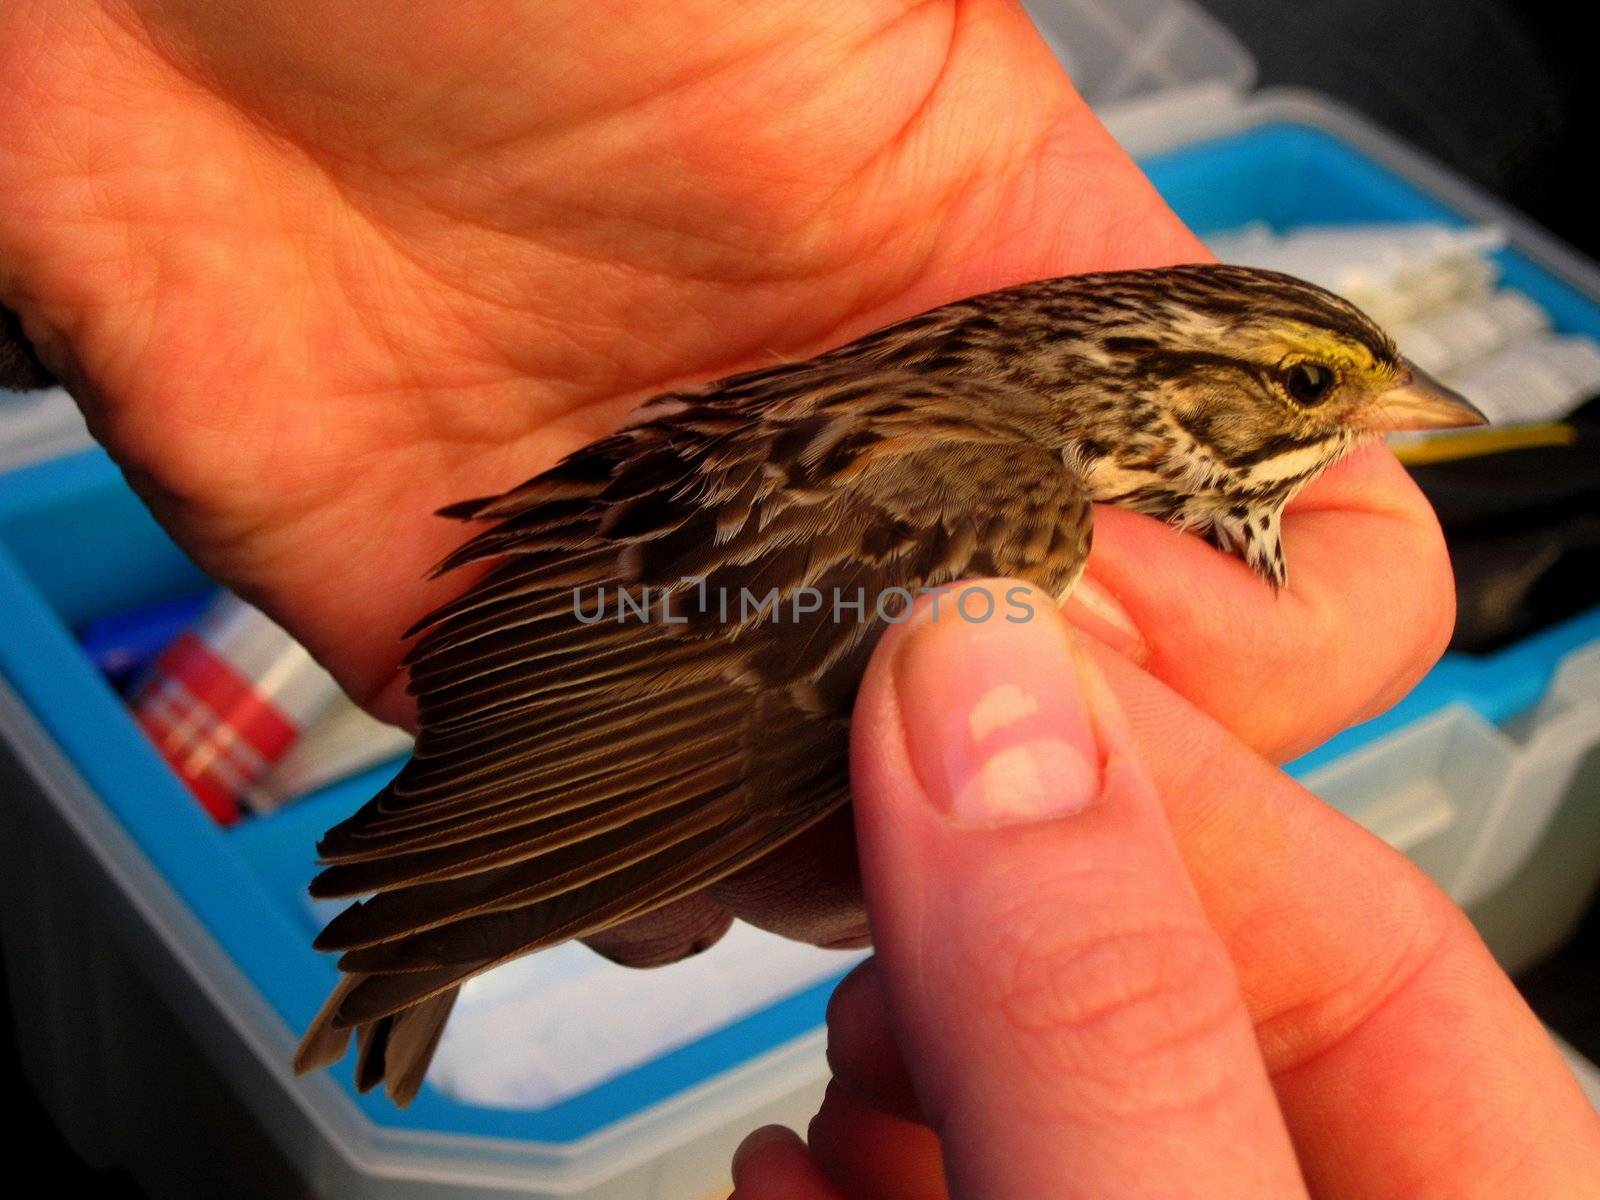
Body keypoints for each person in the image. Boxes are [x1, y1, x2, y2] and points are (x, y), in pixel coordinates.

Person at [1, 3, 1594, 1195]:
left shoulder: (1041, 447)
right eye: (1317, 386)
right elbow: (690, 679)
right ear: (1162, 393)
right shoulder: (1012, 500)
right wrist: (449, 908)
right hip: (585, 643)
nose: (1389, 408)